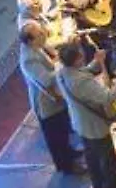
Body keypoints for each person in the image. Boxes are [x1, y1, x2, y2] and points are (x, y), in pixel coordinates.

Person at [56, 42, 116, 188]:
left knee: (91, 155)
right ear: (77, 59)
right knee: (107, 157)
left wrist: (97, 61)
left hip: (80, 122)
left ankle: (98, 184)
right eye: (80, 54)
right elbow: (106, 97)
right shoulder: (81, 82)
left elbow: (83, 71)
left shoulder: (62, 72)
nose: (83, 55)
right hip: (94, 125)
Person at [19, 22, 84, 175]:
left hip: (54, 98)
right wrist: (62, 65)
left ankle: (69, 153)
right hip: (46, 103)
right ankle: (66, 166)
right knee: (55, 136)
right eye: (40, 34)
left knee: (62, 129)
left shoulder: (35, 47)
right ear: (30, 40)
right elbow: (46, 80)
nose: (44, 35)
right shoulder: (29, 59)